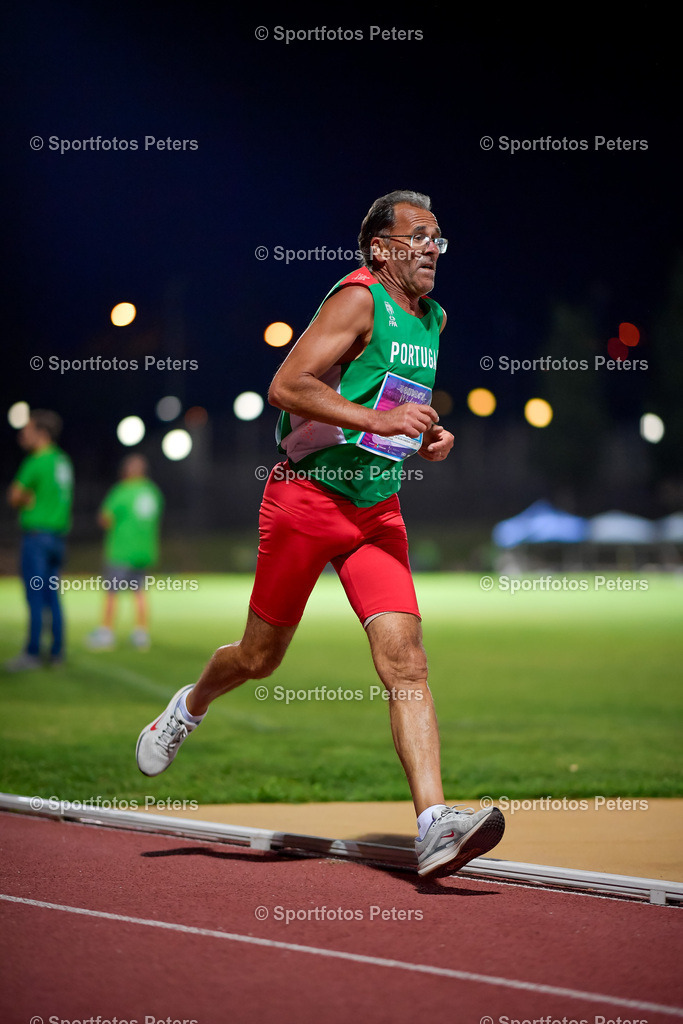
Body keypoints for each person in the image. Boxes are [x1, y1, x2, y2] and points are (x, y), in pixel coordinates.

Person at [136, 190, 505, 877]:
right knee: (259, 658)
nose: (431, 247)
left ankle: (433, 825)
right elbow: (287, 385)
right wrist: (379, 424)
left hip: (376, 512)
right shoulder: (358, 298)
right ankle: (188, 706)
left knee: (407, 660)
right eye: (417, 236)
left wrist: (421, 437)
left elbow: (390, 406)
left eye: (438, 237)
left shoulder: (433, 318)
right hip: (306, 502)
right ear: (380, 248)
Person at [5, 409, 73, 671]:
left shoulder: (36, 461)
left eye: (29, 429)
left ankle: (32, 652)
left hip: (37, 537)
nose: (24, 433)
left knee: (34, 595)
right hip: (58, 538)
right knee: (52, 595)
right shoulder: (62, 461)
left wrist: (27, 499)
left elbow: (14, 496)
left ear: (41, 433)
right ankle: (57, 652)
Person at [87, 453, 163, 651]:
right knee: (139, 592)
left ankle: (106, 632)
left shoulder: (122, 491)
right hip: (144, 551)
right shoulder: (152, 492)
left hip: (121, 550)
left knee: (112, 592)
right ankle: (141, 633)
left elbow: (105, 519)